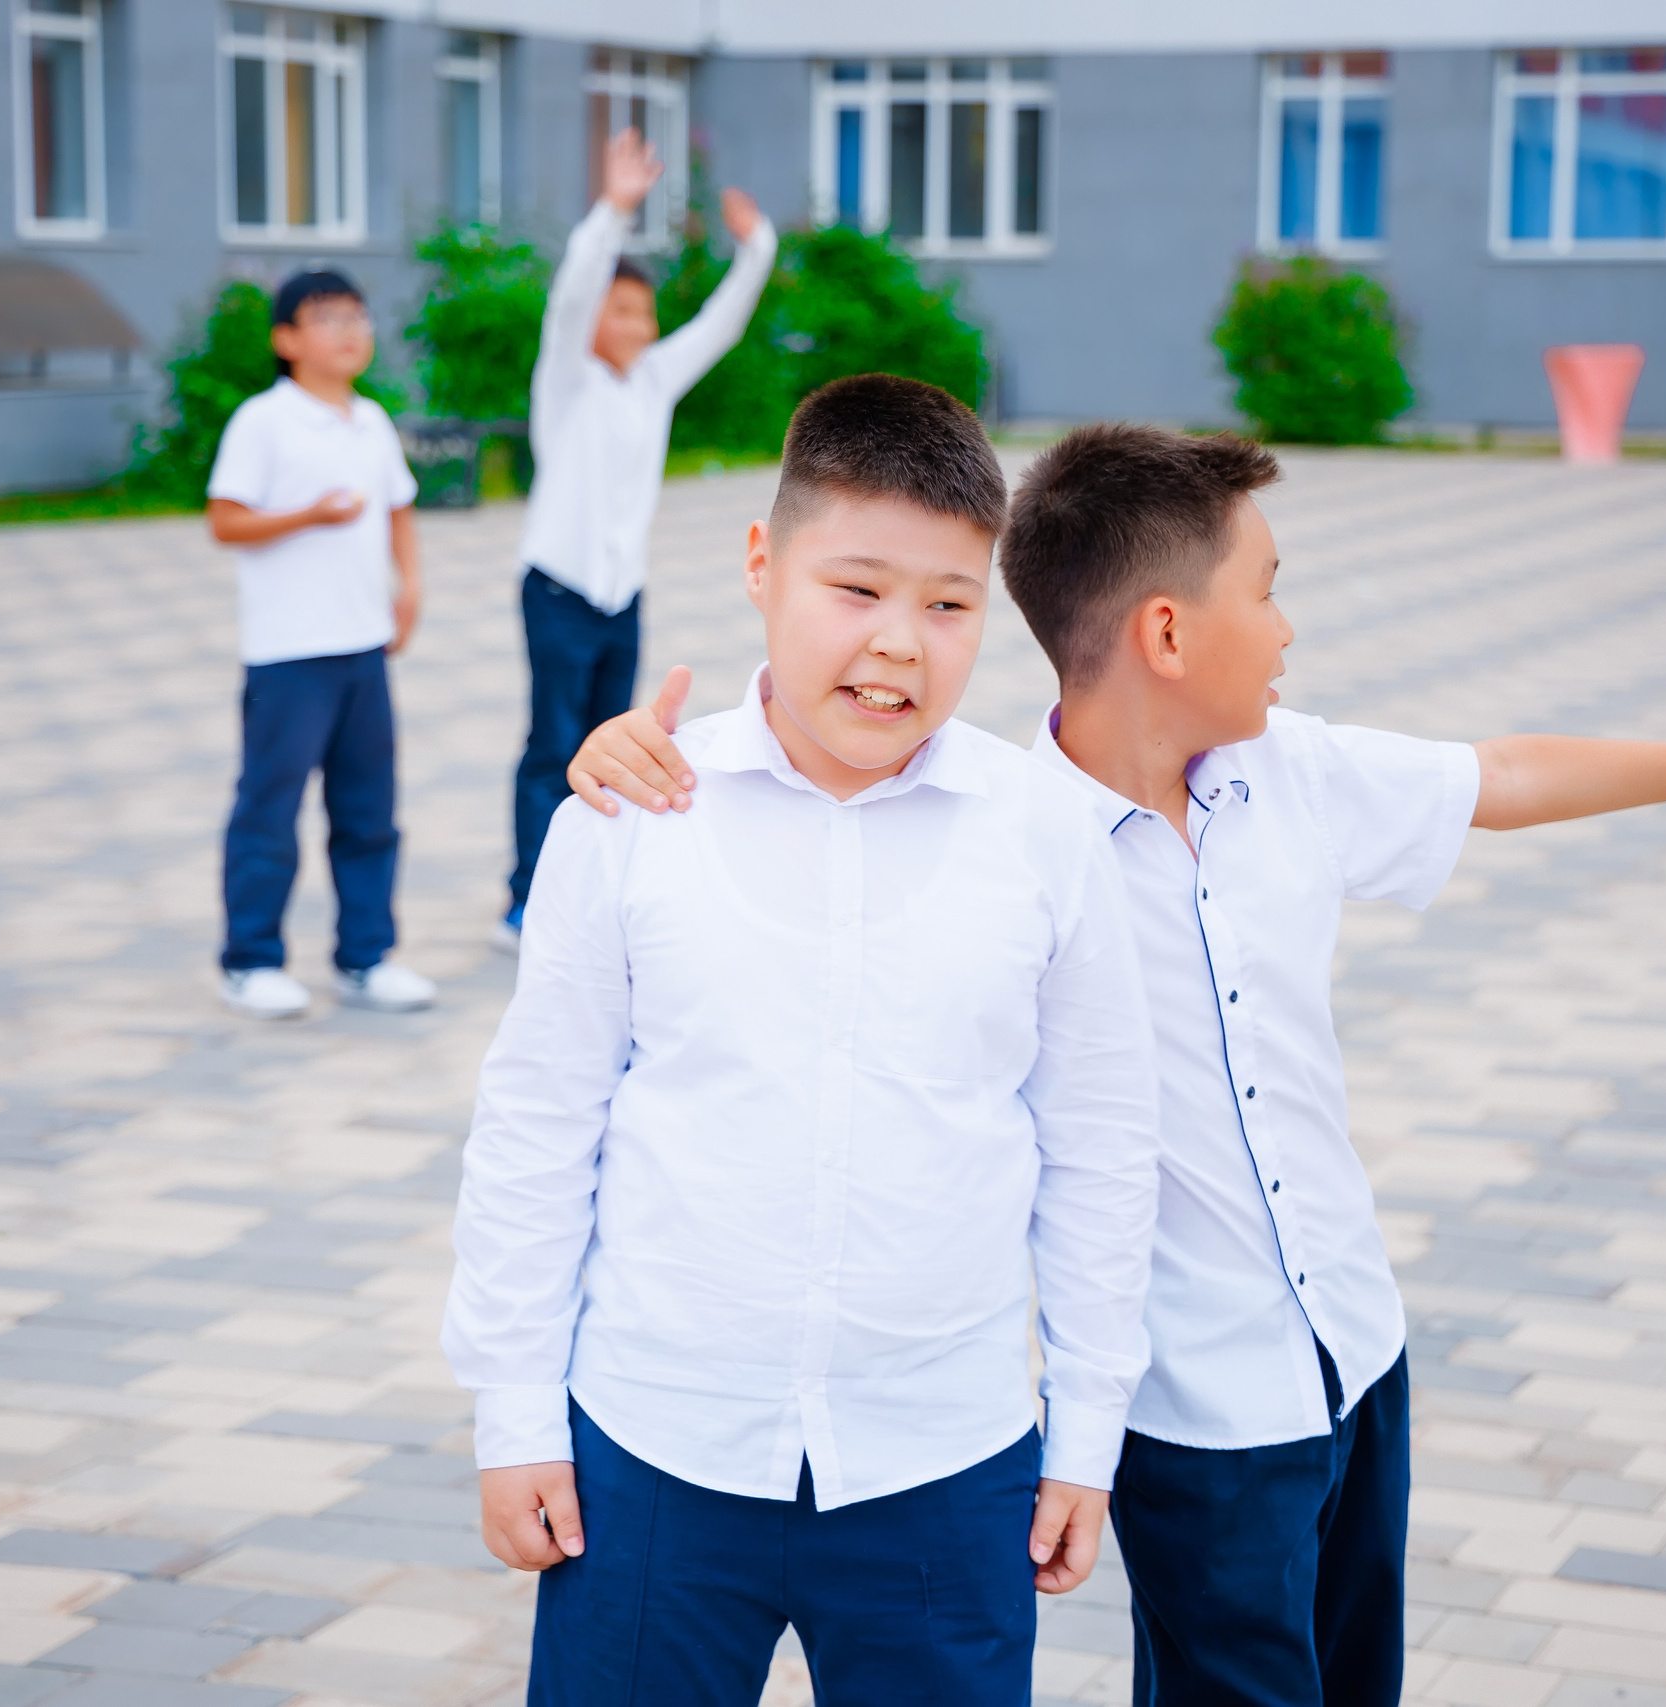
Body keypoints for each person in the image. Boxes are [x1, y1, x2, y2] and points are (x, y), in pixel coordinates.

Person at [568, 424, 1666, 1707]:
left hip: (1356, 1351)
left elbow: (1503, 772)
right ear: (1166, 629)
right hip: (1195, 1409)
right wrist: (647, 761)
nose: (1286, 628)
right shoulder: (1014, 844)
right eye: (1267, 591)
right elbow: (823, 922)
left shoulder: (1292, 772)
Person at [440, 377, 1160, 1707]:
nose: (901, 645)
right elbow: (540, 1123)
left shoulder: (1047, 833)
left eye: (949, 604)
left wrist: (1090, 1428)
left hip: (944, 1461)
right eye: (858, 588)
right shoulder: (635, 810)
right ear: (763, 565)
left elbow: (1104, 1143)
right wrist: (514, 1411)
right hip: (650, 1452)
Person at [492, 126, 778, 953]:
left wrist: (755, 246)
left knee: (610, 737)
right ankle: (526, 898)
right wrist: (614, 211)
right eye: (622, 308)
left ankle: (593, 882)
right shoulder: (567, 382)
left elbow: (719, 328)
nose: (639, 322)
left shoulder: (652, 383)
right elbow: (571, 296)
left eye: (645, 309)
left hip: (622, 594)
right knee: (552, 742)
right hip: (557, 589)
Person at [205, 269, 435, 1020]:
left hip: (361, 647)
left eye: (358, 316)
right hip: (287, 653)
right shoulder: (263, 422)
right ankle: (250, 960)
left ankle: (366, 956)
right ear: (286, 339)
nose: (348, 331)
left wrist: (409, 586)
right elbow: (225, 520)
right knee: (270, 808)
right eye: (327, 317)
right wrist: (307, 515)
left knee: (370, 810)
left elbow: (398, 509)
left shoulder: (369, 420)